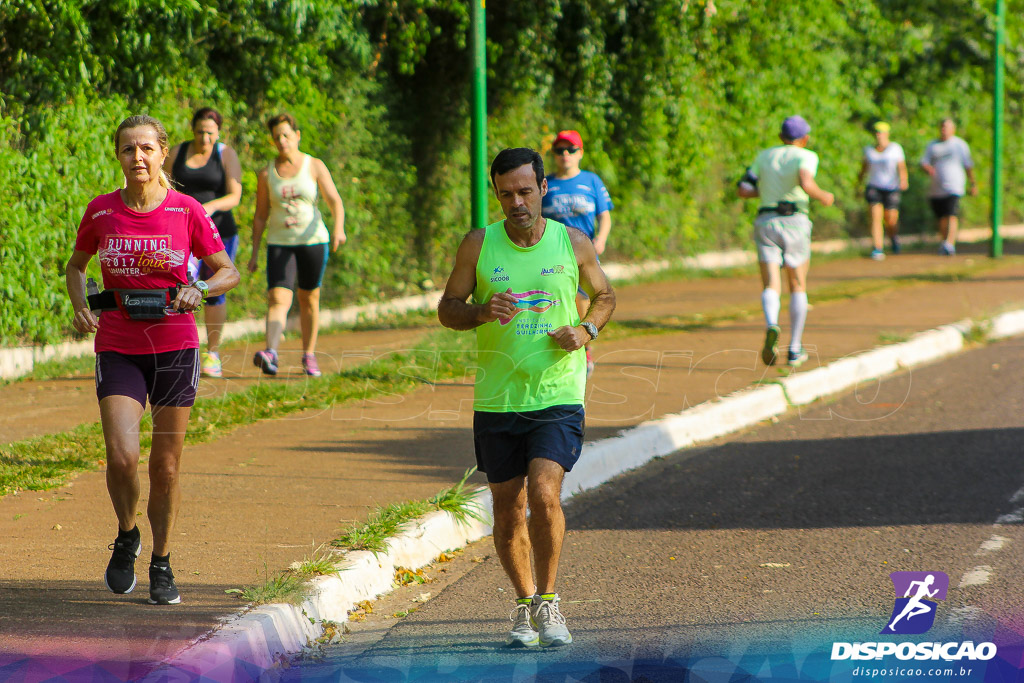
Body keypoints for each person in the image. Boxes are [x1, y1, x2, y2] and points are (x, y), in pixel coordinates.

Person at [438, 147, 616, 648]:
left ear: (543, 189)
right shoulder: (478, 245)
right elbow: (447, 308)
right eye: (505, 193)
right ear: (497, 194)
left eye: (524, 191)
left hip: (557, 390)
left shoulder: (572, 241)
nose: (516, 202)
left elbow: (605, 296)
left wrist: (586, 330)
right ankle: (523, 605)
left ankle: (550, 602)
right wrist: (478, 311)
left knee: (544, 493)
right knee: (507, 509)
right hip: (497, 398)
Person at [65, 114, 240, 605]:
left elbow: (228, 270)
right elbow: (76, 267)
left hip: (175, 347)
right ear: (118, 156)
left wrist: (199, 287)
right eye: (127, 150)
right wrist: (81, 303)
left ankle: (162, 562)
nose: (137, 157)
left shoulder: (187, 211)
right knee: (122, 458)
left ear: (164, 153)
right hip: (118, 343)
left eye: (146, 148)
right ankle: (127, 534)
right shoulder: (101, 212)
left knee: (165, 466)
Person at [247, 113, 346, 377]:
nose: (281, 141)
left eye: (286, 135)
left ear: (297, 136)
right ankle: (271, 353)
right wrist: (255, 252)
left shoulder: (313, 166)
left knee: (309, 298)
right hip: (280, 242)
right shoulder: (266, 173)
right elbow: (260, 215)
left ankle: (308, 354)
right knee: (278, 297)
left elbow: (334, 200)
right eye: (277, 136)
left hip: (313, 241)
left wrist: (339, 229)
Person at [737, 115, 834, 368]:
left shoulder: (764, 155)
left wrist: (767, 191)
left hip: (766, 220)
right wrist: (824, 196)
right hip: (795, 221)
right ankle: (794, 348)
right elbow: (805, 181)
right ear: (805, 138)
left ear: (781, 136)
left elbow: (743, 189)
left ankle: (771, 323)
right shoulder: (806, 156)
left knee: (771, 282)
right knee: (798, 283)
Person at [163, 107, 243, 378]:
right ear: (192, 130)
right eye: (200, 132)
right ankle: (178, 350)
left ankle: (213, 353)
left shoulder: (226, 155)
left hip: (219, 234)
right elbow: (163, 185)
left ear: (218, 132)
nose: (205, 138)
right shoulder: (178, 152)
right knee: (179, 285)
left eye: (210, 133)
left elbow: (235, 196)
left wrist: (207, 208)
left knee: (213, 290)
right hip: (182, 234)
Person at [541, 130, 613, 376]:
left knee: (584, 301)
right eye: (559, 150)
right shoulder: (546, 184)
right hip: (551, 254)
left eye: (570, 150)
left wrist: (600, 239)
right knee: (555, 302)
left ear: (580, 153)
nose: (565, 155)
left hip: (583, 254)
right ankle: (552, 353)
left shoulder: (591, 181)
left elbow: (604, 215)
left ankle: (585, 347)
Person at [920, 118, 977, 256]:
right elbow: (924, 162)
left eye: (947, 127)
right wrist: (927, 169)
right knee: (942, 217)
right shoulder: (932, 145)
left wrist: (973, 183)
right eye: (942, 127)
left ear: (953, 129)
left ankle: (949, 243)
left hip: (954, 185)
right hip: (936, 188)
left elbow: (968, 165)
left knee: (951, 214)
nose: (944, 130)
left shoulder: (959, 145)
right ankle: (944, 242)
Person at [858, 121, 908, 260]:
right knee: (875, 216)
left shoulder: (895, 148)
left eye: (881, 132)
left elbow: (901, 167)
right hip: (874, 186)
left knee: (890, 219)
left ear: (887, 134)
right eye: (876, 133)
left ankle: (893, 238)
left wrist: (904, 180)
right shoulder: (869, 150)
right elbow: (864, 168)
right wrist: (859, 184)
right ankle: (877, 247)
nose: (878, 135)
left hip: (892, 187)